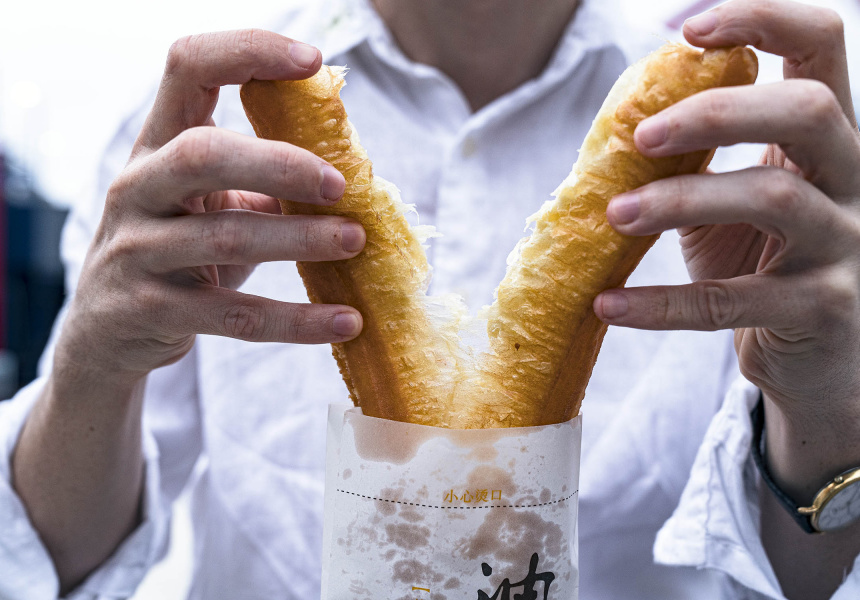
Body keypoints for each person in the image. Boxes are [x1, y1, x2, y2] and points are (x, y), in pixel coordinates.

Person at [2, 0, 859, 598]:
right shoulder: (198, 142)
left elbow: (797, 579)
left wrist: (827, 400)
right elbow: (61, 567)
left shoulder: (753, 152)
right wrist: (93, 362)